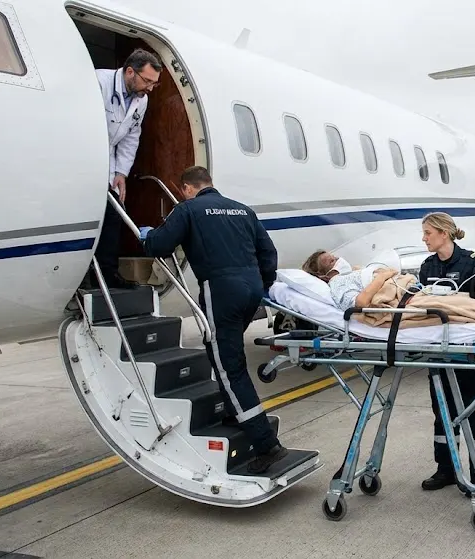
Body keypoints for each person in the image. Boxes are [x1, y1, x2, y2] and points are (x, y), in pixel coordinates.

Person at [138, 166, 288, 474]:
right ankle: (238, 411)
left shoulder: (189, 209)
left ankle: (266, 445)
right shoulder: (242, 210)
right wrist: (262, 283)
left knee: (228, 366)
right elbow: (268, 252)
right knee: (223, 352)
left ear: (187, 188)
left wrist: (147, 236)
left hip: (221, 290)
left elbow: (160, 246)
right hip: (251, 289)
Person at [416, 212, 475, 495]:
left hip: (468, 355)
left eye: (427, 233)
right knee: (443, 414)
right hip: (439, 352)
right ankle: (446, 469)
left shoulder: (473, 264)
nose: (423, 238)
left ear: (444, 233)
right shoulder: (427, 267)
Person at [92, 48, 163, 289]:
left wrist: (121, 172)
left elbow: (132, 136)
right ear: (130, 71)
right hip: (85, 160)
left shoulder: (141, 99)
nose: (150, 88)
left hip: (109, 164)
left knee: (114, 216)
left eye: (155, 83)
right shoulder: (96, 82)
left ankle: (107, 275)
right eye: (147, 81)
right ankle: (87, 276)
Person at [301, 250, 399, 310]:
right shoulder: (337, 284)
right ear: (324, 276)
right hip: (395, 289)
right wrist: (382, 276)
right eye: (332, 261)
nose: (339, 260)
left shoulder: (348, 275)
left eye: (335, 257)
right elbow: (361, 302)